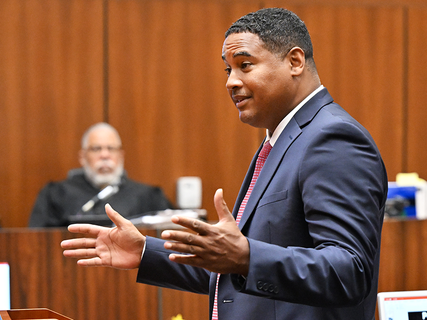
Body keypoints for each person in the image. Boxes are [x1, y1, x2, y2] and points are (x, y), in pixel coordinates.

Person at [61, 8, 387, 320]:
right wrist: (146, 252)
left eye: (245, 65)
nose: (230, 81)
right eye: (228, 69)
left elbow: (350, 271)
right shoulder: (280, 142)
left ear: (295, 61)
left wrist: (246, 256)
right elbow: (235, 271)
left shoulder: (332, 139)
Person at [28, 122, 173, 227]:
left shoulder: (148, 196)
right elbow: (38, 240)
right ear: (82, 157)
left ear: (121, 155)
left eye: (111, 149)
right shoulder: (55, 195)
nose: (105, 155)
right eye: (96, 149)